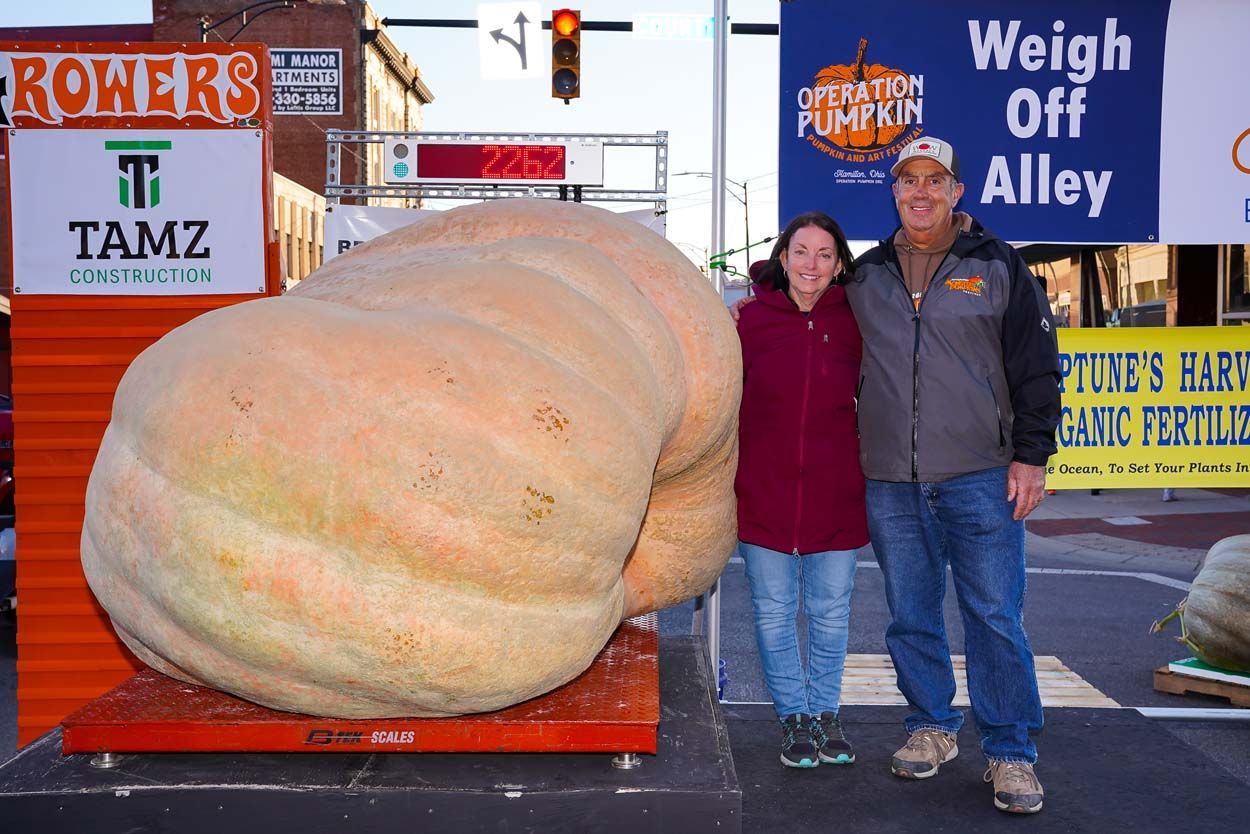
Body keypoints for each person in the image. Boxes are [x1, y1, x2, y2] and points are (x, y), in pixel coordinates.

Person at [732, 136, 1060, 812]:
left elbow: (1035, 366)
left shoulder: (997, 266)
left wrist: (1032, 454)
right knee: (910, 616)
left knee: (995, 616)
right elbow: (802, 298)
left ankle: (1010, 752)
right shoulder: (869, 275)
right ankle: (930, 727)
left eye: (934, 180)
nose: (920, 191)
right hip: (889, 479)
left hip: (979, 473)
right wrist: (759, 290)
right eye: (908, 179)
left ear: (956, 192)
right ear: (893, 191)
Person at [734, 212, 869, 769]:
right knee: (772, 611)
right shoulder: (747, 321)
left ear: (839, 265)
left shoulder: (860, 320)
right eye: (801, 252)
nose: (811, 264)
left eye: (824, 254)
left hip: (837, 490)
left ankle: (824, 713)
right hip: (763, 490)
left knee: (831, 613)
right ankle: (793, 718)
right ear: (783, 256)